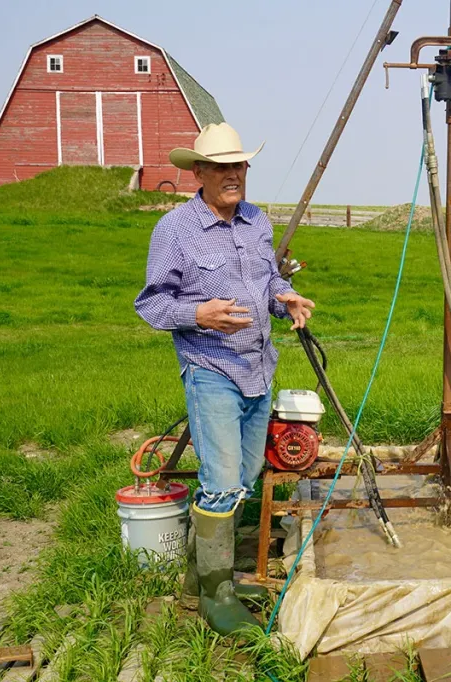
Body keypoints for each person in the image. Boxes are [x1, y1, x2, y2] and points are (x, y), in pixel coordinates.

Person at [134, 122, 315, 635]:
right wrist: (200, 314)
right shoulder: (174, 230)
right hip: (211, 368)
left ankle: (199, 583)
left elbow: (269, 278)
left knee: (244, 476)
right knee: (221, 484)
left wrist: (285, 299)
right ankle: (218, 599)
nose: (233, 175)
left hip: (259, 367)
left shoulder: (256, 221)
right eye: (221, 167)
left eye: (239, 166)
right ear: (198, 172)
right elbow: (151, 304)